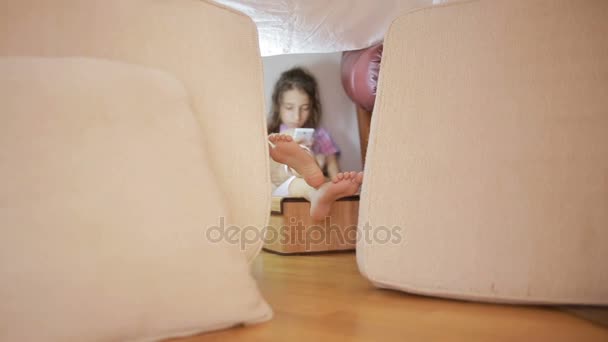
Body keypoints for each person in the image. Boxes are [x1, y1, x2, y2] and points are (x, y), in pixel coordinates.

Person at [267, 67, 363, 221]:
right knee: (276, 146)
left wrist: (339, 184)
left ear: (312, 107)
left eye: (304, 108)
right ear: (278, 106)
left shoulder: (321, 136)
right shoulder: (271, 134)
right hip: (279, 188)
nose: (297, 116)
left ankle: (313, 183)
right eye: (289, 108)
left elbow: (335, 175)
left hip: (302, 188)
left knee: (310, 186)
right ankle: (302, 160)